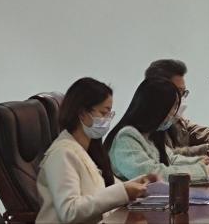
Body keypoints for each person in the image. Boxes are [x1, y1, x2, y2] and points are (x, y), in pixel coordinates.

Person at [36, 78, 154, 224]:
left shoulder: (88, 150)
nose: (107, 119)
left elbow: (106, 189)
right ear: (82, 113)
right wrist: (124, 192)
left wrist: (140, 181)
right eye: (104, 113)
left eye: (110, 114)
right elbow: (69, 211)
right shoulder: (62, 154)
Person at [106, 78, 209, 182]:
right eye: (173, 107)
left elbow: (171, 159)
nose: (174, 113)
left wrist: (201, 161)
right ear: (157, 108)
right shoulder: (126, 138)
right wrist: (202, 171)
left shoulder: (152, 135)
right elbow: (152, 174)